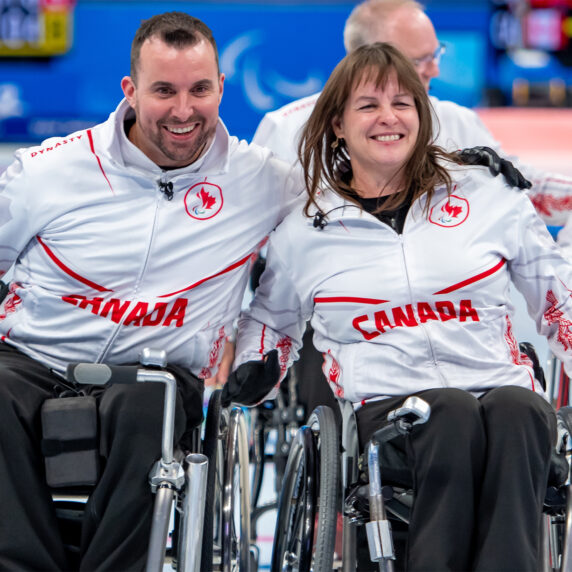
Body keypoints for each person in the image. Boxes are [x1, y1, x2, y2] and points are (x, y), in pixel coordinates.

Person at [225, 42, 571, 570]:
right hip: (389, 405)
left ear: (422, 116)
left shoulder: (485, 194)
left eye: (403, 103)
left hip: (496, 385)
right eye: (368, 106)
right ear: (338, 123)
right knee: (447, 411)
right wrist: (256, 364)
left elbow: (555, 294)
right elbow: (274, 319)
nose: (388, 118)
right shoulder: (306, 228)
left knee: (521, 409)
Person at [0, 11, 301, 571]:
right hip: (35, 357)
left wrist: (262, 350)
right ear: (131, 91)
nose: (184, 111)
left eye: (200, 90)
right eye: (164, 90)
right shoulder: (48, 170)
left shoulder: (265, 182)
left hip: (157, 375)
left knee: (148, 410)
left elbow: (323, 250)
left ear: (220, 89)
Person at [252, 0, 572, 229]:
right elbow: (255, 231)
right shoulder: (287, 128)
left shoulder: (454, 120)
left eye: (436, 53)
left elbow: (521, 189)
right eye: (419, 60)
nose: (435, 68)